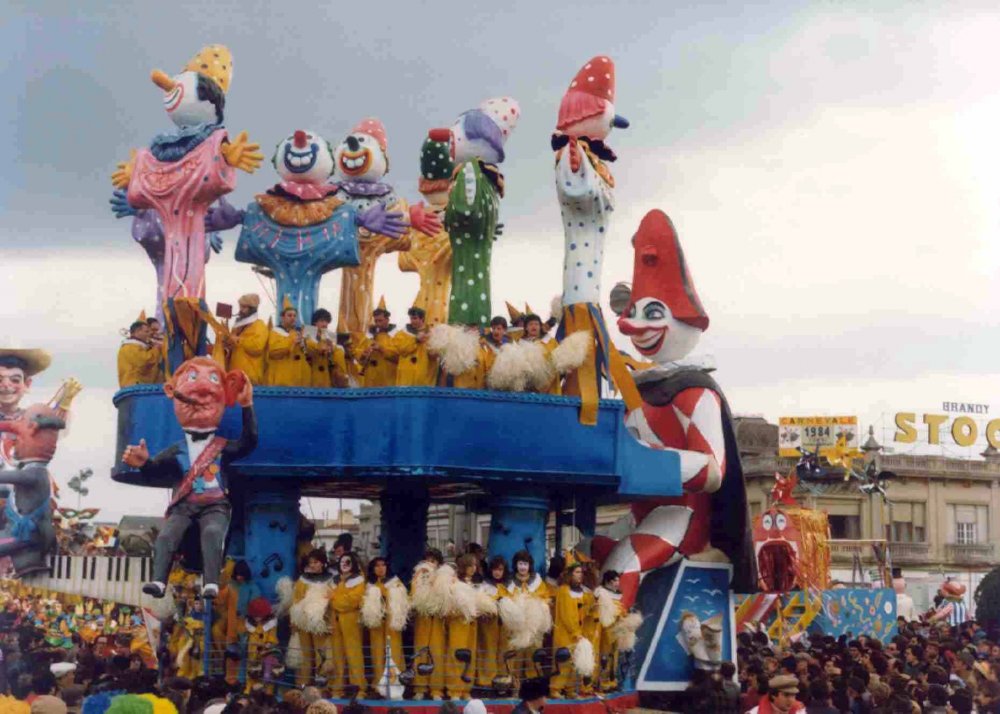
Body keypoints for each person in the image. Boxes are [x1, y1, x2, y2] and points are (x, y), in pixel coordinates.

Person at [121, 357, 257, 600]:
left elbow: (249, 442)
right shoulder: (176, 450)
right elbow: (156, 471)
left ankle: (211, 581)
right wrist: (143, 463)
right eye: (192, 378)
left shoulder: (222, 445)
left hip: (215, 505)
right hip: (183, 505)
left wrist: (247, 406)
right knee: (165, 536)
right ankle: (158, 581)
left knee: (213, 532)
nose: (202, 389)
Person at [281, 548, 333, 687]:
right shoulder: (303, 580)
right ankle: (302, 684)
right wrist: (294, 622)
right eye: (311, 563)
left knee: (321, 653)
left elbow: (333, 599)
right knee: (305, 654)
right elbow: (296, 600)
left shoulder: (331, 579)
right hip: (303, 622)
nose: (313, 565)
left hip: (321, 623)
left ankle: (322, 684)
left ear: (322, 563)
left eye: (316, 562)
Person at [361, 557, 407, 697]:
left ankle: (395, 685)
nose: (380, 568)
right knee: (377, 653)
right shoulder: (368, 584)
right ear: (372, 569)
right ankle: (378, 686)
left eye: (383, 565)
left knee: (393, 652)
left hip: (391, 623)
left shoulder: (395, 581)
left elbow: (404, 597)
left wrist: (386, 593)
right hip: (376, 624)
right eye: (377, 566)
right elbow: (361, 602)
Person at [329, 552, 366, 698]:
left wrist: (334, 599)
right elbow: (327, 596)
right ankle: (337, 689)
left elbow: (353, 600)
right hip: (335, 621)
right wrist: (337, 600)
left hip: (351, 620)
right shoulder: (335, 579)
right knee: (337, 654)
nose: (344, 565)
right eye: (342, 562)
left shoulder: (359, 580)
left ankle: (359, 689)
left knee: (354, 654)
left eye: (348, 562)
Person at [411, 549, 447, 700]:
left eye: (433, 560)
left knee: (436, 653)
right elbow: (413, 595)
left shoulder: (444, 577)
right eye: (428, 560)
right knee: (420, 652)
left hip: (438, 619)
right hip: (423, 618)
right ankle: (419, 688)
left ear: (438, 563)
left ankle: (436, 690)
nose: (430, 563)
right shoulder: (418, 576)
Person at [550, 561, 588, 698]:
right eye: (577, 572)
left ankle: (570, 689)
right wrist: (575, 632)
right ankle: (555, 689)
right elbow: (567, 615)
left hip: (577, 634)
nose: (580, 575)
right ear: (570, 574)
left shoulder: (580, 591)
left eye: (581, 572)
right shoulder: (564, 591)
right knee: (563, 661)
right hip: (566, 634)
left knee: (573, 663)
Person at [476, 556, 510, 690]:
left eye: (500, 569)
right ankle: (486, 681)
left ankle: (503, 681)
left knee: (504, 651)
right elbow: (481, 604)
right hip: (489, 625)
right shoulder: (484, 585)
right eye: (495, 569)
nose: (497, 572)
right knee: (488, 651)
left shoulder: (509, 585)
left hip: (505, 625)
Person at [352, 299, 399, 388]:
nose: (377, 324)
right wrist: (363, 354)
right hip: (370, 380)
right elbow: (357, 352)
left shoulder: (396, 335)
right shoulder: (369, 335)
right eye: (376, 321)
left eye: (380, 320)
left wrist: (381, 348)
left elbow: (398, 356)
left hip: (388, 380)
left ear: (387, 319)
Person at [225, 294, 269, 385]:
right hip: (234, 376)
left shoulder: (260, 325)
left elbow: (257, 347)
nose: (240, 310)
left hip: (250, 378)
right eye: (240, 306)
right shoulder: (236, 327)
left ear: (252, 309)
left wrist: (238, 340)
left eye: (244, 307)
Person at [267, 297, 311, 387]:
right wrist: (292, 343)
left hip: (298, 379)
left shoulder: (298, 333)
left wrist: (305, 344)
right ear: (282, 317)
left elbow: (307, 356)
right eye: (289, 315)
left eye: (294, 316)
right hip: (282, 379)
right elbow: (273, 353)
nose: (293, 318)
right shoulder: (275, 332)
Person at [393, 307, 437, 387]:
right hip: (406, 377)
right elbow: (402, 350)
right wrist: (415, 340)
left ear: (422, 318)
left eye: (415, 318)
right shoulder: (402, 334)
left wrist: (428, 342)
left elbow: (434, 356)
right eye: (411, 318)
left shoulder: (432, 334)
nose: (412, 321)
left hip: (423, 378)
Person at [306, 308, 350, 388]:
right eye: (322, 321)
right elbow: (309, 347)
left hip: (327, 378)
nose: (325, 324)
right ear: (315, 322)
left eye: (327, 321)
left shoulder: (330, 336)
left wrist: (333, 349)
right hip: (311, 376)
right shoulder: (308, 333)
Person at [117, 320, 161, 387]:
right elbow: (145, 361)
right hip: (136, 385)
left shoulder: (137, 346)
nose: (149, 334)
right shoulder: (130, 346)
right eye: (146, 331)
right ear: (137, 332)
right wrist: (156, 349)